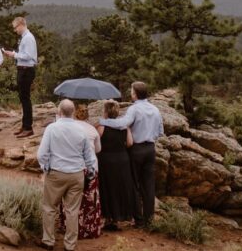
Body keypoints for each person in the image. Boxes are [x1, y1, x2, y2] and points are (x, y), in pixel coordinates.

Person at [98, 81, 164, 227]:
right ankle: (149, 220)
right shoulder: (155, 109)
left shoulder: (134, 109)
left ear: (135, 94)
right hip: (150, 149)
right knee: (149, 185)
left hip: (136, 149)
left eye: (132, 91)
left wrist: (101, 121)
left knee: (134, 183)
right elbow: (160, 132)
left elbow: (122, 124)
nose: (130, 93)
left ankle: (138, 220)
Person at [37, 99, 97, 251]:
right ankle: (70, 245)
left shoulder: (52, 128)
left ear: (59, 111)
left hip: (56, 173)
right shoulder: (81, 130)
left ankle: (48, 241)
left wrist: (45, 167)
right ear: (74, 111)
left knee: (50, 208)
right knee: (72, 210)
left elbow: (42, 153)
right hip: (77, 174)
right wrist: (90, 172)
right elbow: (89, 155)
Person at [58, 102, 103, 239]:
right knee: (89, 200)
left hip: (74, 167)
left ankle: (69, 227)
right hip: (91, 168)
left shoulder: (70, 127)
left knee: (71, 200)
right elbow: (98, 149)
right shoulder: (92, 129)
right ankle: (89, 229)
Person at [96, 100, 136, 229]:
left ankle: (108, 218)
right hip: (122, 159)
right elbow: (130, 143)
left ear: (106, 111)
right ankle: (118, 218)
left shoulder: (101, 126)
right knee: (120, 188)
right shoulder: (124, 127)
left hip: (107, 160)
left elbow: (96, 143)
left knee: (107, 188)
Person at [2, 16, 38, 138]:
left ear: (21, 25)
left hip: (26, 70)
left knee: (26, 99)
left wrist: (13, 55)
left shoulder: (28, 38)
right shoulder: (24, 38)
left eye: (15, 27)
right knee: (23, 98)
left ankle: (28, 127)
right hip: (23, 69)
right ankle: (24, 125)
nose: (15, 30)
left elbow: (28, 56)